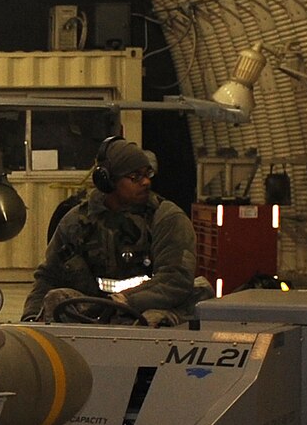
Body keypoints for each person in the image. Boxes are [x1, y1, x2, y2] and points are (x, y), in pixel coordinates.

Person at [24, 136, 197, 325]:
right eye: (135, 177)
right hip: (98, 308)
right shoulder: (77, 222)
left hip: (148, 306)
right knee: (56, 299)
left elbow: (175, 280)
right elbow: (49, 276)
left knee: (153, 321)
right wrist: (31, 319)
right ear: (108, 182)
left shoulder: (167, 218)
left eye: (148, 174)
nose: (146, 182)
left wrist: (127, 301)